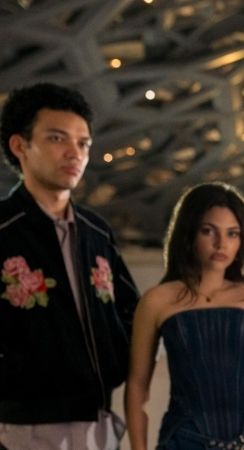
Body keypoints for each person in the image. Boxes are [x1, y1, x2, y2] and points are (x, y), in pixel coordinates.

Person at [0, 83, 139, 449]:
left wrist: (114, 361)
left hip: (98, 422)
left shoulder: (97, 232)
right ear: (20, 146)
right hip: (20, 426)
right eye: (57, 138)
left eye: (83, 143)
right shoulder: (4, 229)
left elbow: (131, 312)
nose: (74, 153)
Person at [124, 182, 244, 450]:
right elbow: (137, 384)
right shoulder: (157, 300)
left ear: (243, 239)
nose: (221, 243)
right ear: (189, 232)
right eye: (208, 231)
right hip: (184, 442)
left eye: (232, 233)